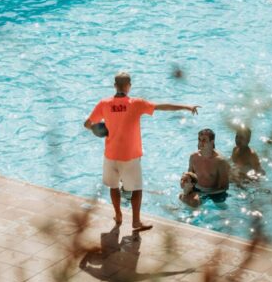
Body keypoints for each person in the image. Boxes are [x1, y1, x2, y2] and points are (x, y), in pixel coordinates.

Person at [83, 72, 199, 231]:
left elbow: (87, 124)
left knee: (114, 187)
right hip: (130, 155)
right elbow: (161, 107)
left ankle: (118, 215)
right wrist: (186, 106)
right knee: (137, 189)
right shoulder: (136, 103)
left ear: (115, 86)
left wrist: (97, 130)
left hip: (111, 154)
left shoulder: (104, 103)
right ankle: (136, 221)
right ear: (129, 86)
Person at [188, 128, 231, 195]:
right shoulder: (193, 157)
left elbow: (224, 187)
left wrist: (205, 194)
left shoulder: (220, 161)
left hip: (214, 193)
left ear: (212, 142)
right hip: (197, 189)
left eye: (204, 140)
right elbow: (189, 179)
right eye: (199, 140)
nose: (200, 143)